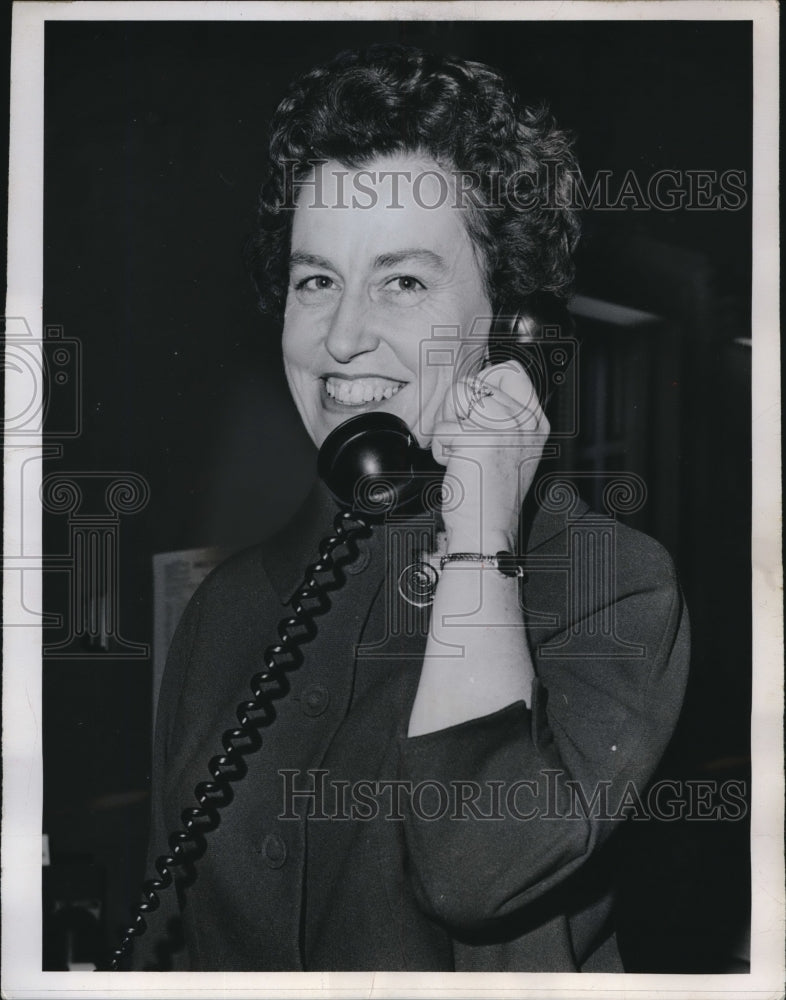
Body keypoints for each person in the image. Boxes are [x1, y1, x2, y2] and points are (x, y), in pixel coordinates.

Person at [129, 44, 689, 972]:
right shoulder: (227, 612)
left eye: (403, 280)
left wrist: (478, 540)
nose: (343, 336)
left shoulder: (613, 589)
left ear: (509, 322)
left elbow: (476, 867)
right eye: (317, 281)